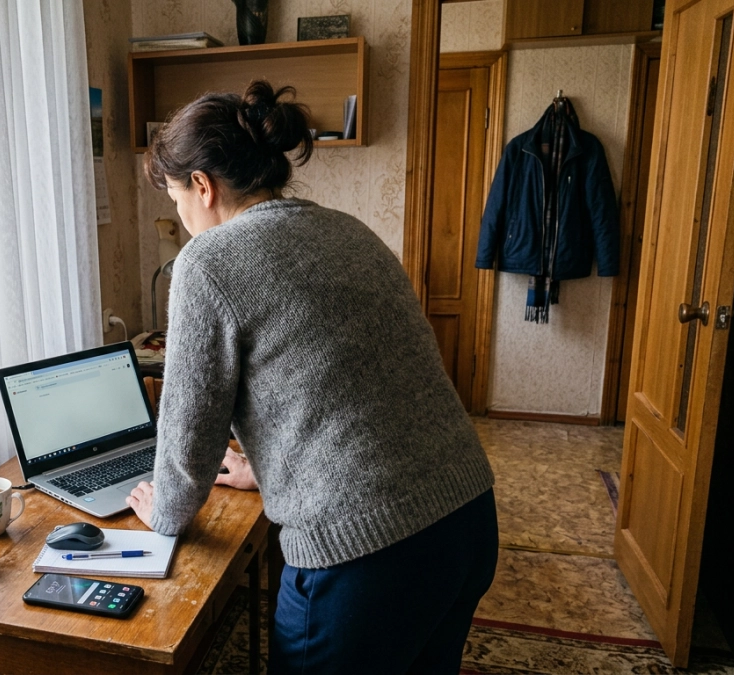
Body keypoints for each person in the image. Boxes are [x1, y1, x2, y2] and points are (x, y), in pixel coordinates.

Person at [125, 80, 499, 674]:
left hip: (364, 553)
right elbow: (356, 379)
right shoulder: (347, 229)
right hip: (465, 515)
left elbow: (188, 429)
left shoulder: (209, 260)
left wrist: (164, 513)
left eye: (176, 199)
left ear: (203, 186)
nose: (182, 216)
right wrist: (273, 469)